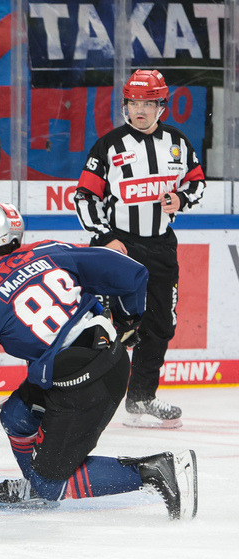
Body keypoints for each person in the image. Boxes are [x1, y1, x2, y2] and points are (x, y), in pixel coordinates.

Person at [0, 203, 197, 520]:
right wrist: (128, 319)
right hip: (101, 362)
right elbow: (134, 272)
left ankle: (157, 471)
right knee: (16, 416)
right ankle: (35, 488)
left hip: (83, 384)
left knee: (51, 483)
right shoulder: (48, 251)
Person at [74, 69, 205, 429]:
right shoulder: (109, 145)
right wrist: (105, 238)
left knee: (160, 325)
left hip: (161, 247)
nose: (140, 110)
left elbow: (196, 182)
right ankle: (82, 397)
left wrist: (180, 198)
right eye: (133, 103)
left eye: (148, 103)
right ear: (125, 105)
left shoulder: (177, 142)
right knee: (108, 325)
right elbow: (84, 196)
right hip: (120, 247)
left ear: (162, 105)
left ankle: (141, 397)